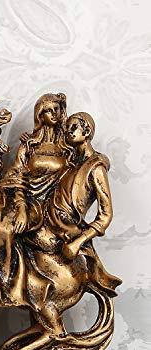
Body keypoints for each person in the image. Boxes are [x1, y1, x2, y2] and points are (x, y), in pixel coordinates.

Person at [0, 93, 71, 297]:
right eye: (48, 111)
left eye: (56, 109)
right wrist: (22, 209)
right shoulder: (30, 145)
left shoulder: (68, 148)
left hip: (55, 206)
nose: (53, 114)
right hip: (30, 202)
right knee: (4, 228)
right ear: (40, 116)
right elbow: (18, 176)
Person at [48, 111, 121, 294]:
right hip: (47, 217)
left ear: (86, 131)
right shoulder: (69, 162)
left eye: (74, 127)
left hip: (65, 228)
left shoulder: (96, 168)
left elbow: (106, 215)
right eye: (67, 128)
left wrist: (78, 242)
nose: (69, 131)